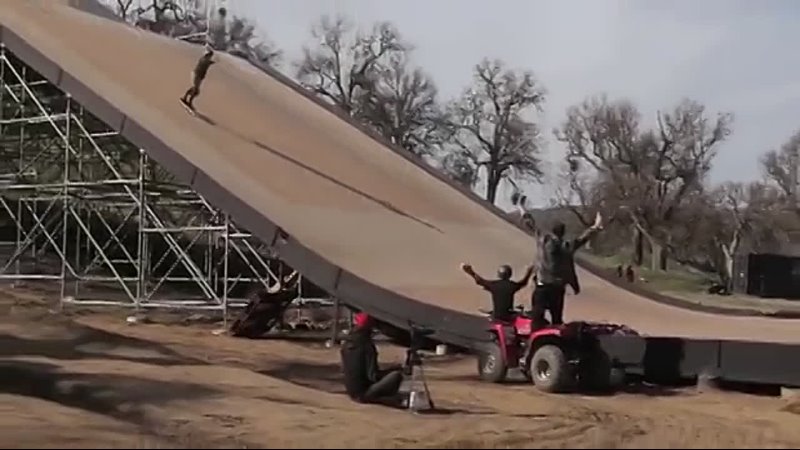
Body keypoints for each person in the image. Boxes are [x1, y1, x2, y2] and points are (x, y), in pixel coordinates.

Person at [531, 212, 604, 328]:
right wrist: (594, 227)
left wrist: (521, 207)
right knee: (557, 318)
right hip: (557, 287)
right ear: (563, 232)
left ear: (551, 231)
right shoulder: (566, 246)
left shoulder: (542, 241)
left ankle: (534, 339)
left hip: (542, 286)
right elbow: (582, 239)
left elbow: (530, 223)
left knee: (537, 317)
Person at [340, 312, 404, 404]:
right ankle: (382, 398)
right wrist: (392, 370)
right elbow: (373, 376)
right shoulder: (366, 346)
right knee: (396, 375)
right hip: (364, 393)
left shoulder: (346, 345)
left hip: (352, 392)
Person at [460, 263, 534, 322]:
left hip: (496, 316)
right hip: (509, 317)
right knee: (521, 315)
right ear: (510, 274)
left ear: (499, 274)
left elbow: (480, 281)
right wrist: (529, 272)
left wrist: (471, 272)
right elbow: (523, 283)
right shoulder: (512, 286)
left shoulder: (494, 285)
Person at [180, 45, 216, 111]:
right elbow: (206, 62)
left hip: (199, 76)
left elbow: (208, 62)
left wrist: (212, 62)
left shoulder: (205, 60)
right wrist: (211, 61)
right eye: (210, 56)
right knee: (195, 89)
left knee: (195, 90)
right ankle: (187, 100)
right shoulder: (204, 59)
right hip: (196, 75)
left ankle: (186, 99)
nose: (211, 57)